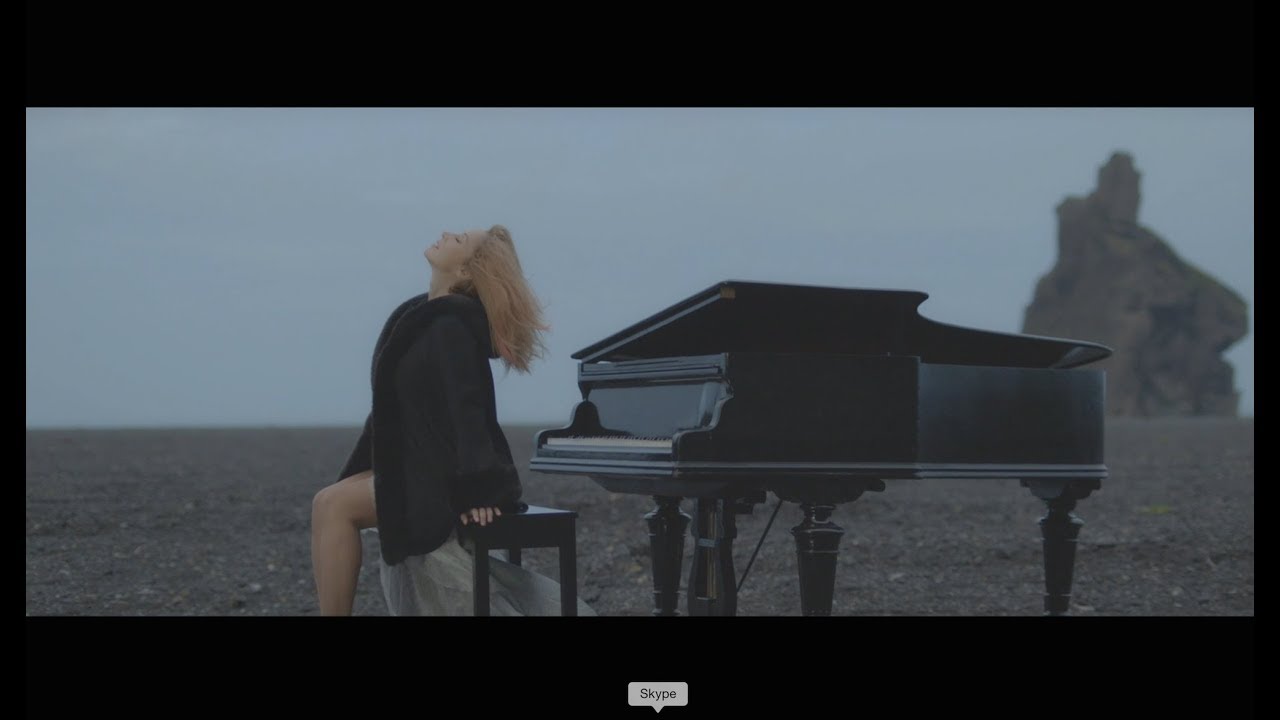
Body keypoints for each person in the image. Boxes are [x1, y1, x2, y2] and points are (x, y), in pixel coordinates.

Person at [311, 225, 585, 616]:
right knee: (327, 500)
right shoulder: (420, 317)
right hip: (417, 463)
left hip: (442, 476)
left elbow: (469, 410)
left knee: (334, 505)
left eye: (458, 239)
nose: (445, 233)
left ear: (465, 271)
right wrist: (372, 463)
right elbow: (393, 409)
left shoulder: (449, 326)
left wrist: (480, 489)